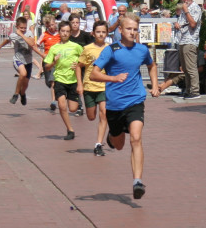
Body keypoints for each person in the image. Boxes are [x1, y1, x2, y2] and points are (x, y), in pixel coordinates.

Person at [92, 15, 159, 199]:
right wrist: (113, 78)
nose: (133, 32)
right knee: (119, 145)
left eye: (135, 29)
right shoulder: (111, 50)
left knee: (136, 138)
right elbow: (93, 74)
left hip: (135, 100)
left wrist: (154, 85)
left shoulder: (142, 50)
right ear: (120, 30)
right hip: (114, 104)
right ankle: (112, 138)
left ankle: (137, 181)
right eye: (129, 29)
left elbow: (152, 66)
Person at [42, 23, 84, 140]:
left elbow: (85, 60)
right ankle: (70, 129)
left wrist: (79, 64)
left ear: (70, 33)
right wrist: (54, 62)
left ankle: (75, 106)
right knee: (61, 105)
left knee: (73, 108)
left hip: (73, 80)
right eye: (62, 31)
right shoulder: (54, 48)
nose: (65, 33)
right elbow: (47, 67)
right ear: (59, 32)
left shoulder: (76, 46)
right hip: (59, 79)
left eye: (67, 31)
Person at [75, 20, 110, 156]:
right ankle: (100, 139)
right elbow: (79, 66)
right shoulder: (88, 49)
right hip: (90, 86)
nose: (101, 35)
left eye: (103, 32)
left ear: (107, 33)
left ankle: (98, 144)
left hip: (104, 86)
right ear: (93, 33)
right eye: (98, 32)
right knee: (91, 116)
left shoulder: (110, 48)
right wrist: (79, 84)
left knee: (104, 114)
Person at [0, 15, 43, 106]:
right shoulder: (13, 35)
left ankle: (22, 93)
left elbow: (32, 43)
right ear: (16, 27)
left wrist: (21, 34)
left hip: (28, 61)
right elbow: (6, 41)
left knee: (25, 83)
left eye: (24, 28)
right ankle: (16, 94)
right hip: (18, 59)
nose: (23, 30)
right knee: (23, 73)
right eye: (21, 28)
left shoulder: (29, 34)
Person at [172, 0, 203, 100]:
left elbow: (193, 24)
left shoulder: (195, 8)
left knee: (191, 67)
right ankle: (188, 90)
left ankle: (195, 91)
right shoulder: (184, 10)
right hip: (182, 40)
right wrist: (177, 24)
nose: (184, 0)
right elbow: (183, 23)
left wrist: (186, 11)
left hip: (190, 41)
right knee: (185, 68)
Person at [38, 15, 61, 110]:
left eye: (53, 24)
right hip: (47, 60)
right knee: (49, 82)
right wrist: (42, 54)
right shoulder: (45, 34)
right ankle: (55, 95)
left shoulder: (60, 33)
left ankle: (53, 101)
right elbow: (36, 45)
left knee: (53, 82)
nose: (52, 27)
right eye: (49, 25)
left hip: (58, 61)